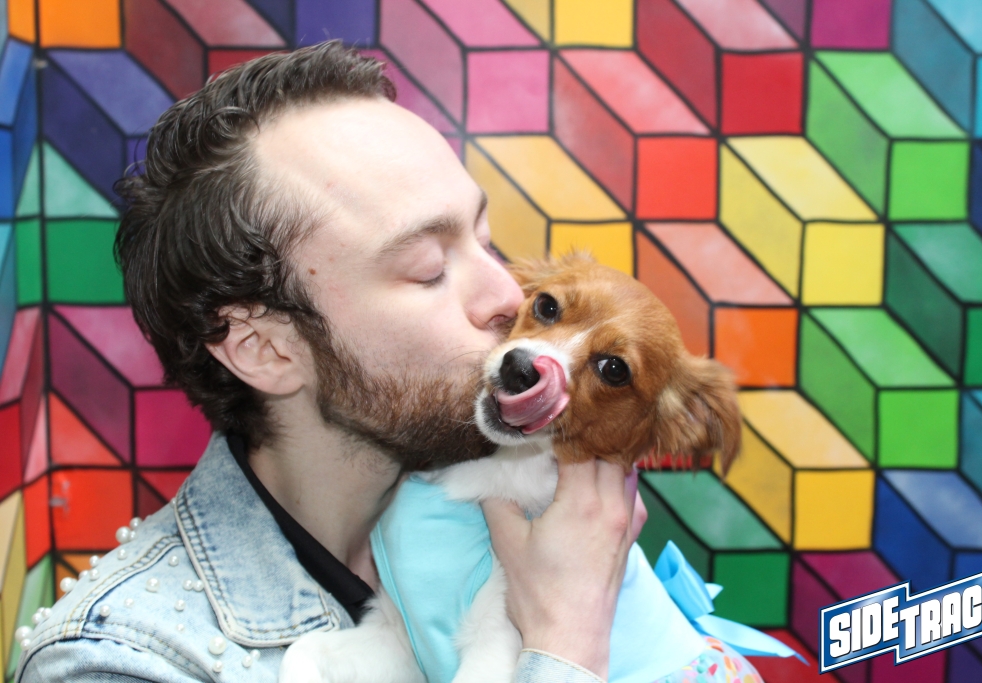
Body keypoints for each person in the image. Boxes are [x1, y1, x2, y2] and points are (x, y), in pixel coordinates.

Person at [15, 41, 643, 682]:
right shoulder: (118, 662)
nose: (510, 297)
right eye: (429, 269)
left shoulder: (546, 516)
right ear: (264, 347)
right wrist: (566, 638)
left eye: (485, 241)